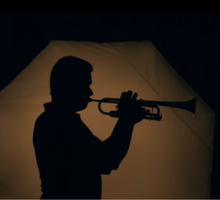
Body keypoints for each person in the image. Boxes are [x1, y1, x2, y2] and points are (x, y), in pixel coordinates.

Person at [33, 56, 148, 199]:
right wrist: (126, 121)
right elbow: (107, 160)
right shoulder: (57, 122)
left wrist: (126, 121)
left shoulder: (62, 120)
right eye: (85, 85)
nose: (90, 93)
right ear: (69, 86)